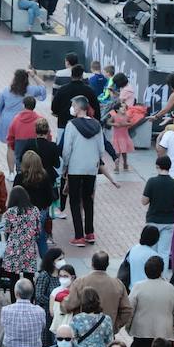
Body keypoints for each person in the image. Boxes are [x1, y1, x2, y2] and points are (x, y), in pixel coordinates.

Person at [61, 96, 107, 246]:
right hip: (91, 168)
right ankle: (90, 233)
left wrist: (65, 167)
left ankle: (79, 236)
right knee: (88, 200)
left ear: (79, 108)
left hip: (75, 167)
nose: (72, 108)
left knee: (74, 201)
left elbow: (67, 149)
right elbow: (102, 149)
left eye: (73, 105)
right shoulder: (97, 125)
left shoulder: (71, 125)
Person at [128, 255, 174, 347]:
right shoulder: (170, 288)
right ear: (161, 270)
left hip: (141, 331)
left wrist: (129, 327)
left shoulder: (138, 287)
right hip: (163, 333)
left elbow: (130, 310)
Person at [141, 155, 174, 268]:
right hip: (169, 221)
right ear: (170, 167)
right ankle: (162, 275)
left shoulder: (151, 182)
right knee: (164, 251)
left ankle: (151, 274)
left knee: (151, 250)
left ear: (157, 166)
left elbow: (144, 201)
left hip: (153, 220)